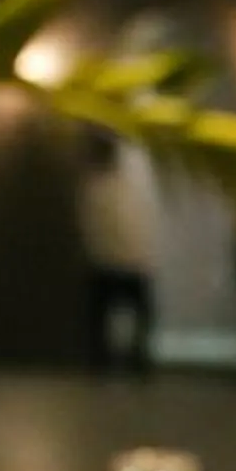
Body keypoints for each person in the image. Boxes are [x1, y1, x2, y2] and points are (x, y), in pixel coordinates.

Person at [77, 131, 156, 372]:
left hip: (126, 260)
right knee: (103, 321)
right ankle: (109, 362)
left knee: (123, 318)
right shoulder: (97, 185)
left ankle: (130, 361)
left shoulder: (123, 181)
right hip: (115, 261)